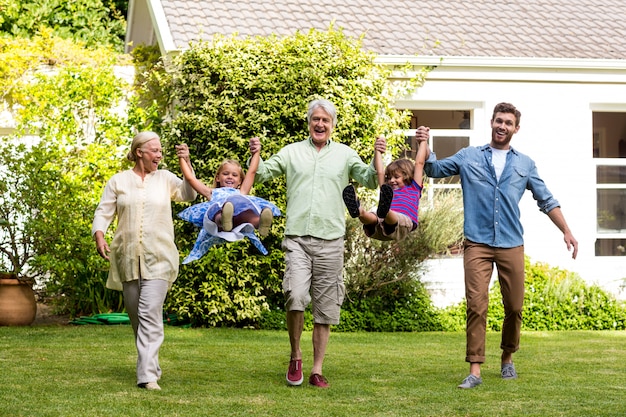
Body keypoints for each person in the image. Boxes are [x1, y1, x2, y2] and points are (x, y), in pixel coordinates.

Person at [418, 102, 578, 389]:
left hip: (511, 243)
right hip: (477, 243)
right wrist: (425, 145)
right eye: (498, 121)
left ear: (516, 128)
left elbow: (546, 199)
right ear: (491, 123)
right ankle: (475, 369)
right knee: (476, 305)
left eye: (508, 122)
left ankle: (507, 357)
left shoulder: (525, 164)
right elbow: (433, 169)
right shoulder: (468, 156)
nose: (502, 126)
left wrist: (566, 230)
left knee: (514, 307)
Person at [249, 98, 385, 388]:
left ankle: (316, 369)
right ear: (308, 122)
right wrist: (256, 154)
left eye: (325, 120)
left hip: (331, 240)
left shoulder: (345, 155)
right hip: (297, 237)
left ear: (332, 125)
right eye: (315, 119)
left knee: (325, 308)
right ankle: (296, 355)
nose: (320, 124)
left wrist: (377, 154)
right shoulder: (291, 152)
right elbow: (260, 175)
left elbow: (372, 180)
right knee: (295, 297)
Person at [91, 131, 197, 391]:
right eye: (154, 151)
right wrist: (99, 235)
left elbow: (188, 194)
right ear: (139, 152)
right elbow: (104, 212)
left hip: (160, 257)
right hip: (127, 258)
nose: (159, 155)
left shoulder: (165, 178)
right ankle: (152, 365)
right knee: (137, 317)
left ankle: (147, 376)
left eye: (161, 151)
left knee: (150, 313)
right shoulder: (119, 181)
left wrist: (187, 164)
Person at [175, 143, 280, 263]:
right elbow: (190, 178)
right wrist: (182, 158)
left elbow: (251, 171)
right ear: (217, 178)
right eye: (225, 174)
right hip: (216, 224)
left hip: (237, 222)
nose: (230, 177)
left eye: (234, 175)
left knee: (247, 211)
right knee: (217, 211)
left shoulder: (241, 192)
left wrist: (256, 152)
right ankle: (224, 218)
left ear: (240, 181)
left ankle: (260, 222)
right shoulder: (211, 192)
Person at [342, 128, 429, 241]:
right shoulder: (388, 190)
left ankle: (385, 210)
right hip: (381, 224)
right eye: (389, 178)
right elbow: (380, 171)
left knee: (389, 216)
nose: (392, 180)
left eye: (396, 177)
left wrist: (423, 141)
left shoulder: (414, 187)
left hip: (403, 222)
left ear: (407, 175)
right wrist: (377, 150)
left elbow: (419, 163)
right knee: (373, 217)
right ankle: (360, 211)